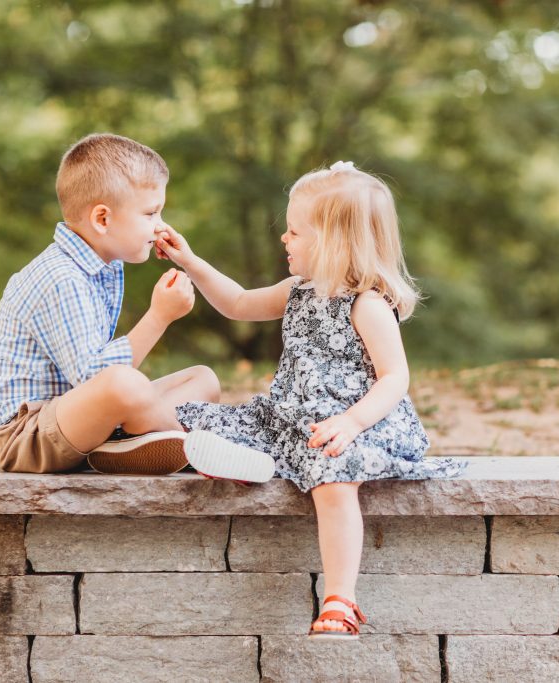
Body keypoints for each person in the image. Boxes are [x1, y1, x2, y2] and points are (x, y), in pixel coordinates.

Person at [154, 160, 469, 639]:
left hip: (353, 424)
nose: (284, 238)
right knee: (206, 419)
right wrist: (190, 262)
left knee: (332, 478)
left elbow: (394, 378)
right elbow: (237, 303)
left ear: (334, 242)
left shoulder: (367, 304)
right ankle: (248, 460)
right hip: (292, 417)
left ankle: (341, 599)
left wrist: (353, 422)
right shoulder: (297, 291)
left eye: (295, 231)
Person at [0, 133, 221, 476]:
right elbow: (94, 378)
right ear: (103, 220)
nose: (160, 226)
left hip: (79, 422)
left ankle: (129, 444)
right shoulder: (61, 277)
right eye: (151, 213)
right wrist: (159, 316)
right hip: (28, 436)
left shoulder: (100, 267)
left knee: (202, 379)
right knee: (124, 383)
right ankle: (198, 450)